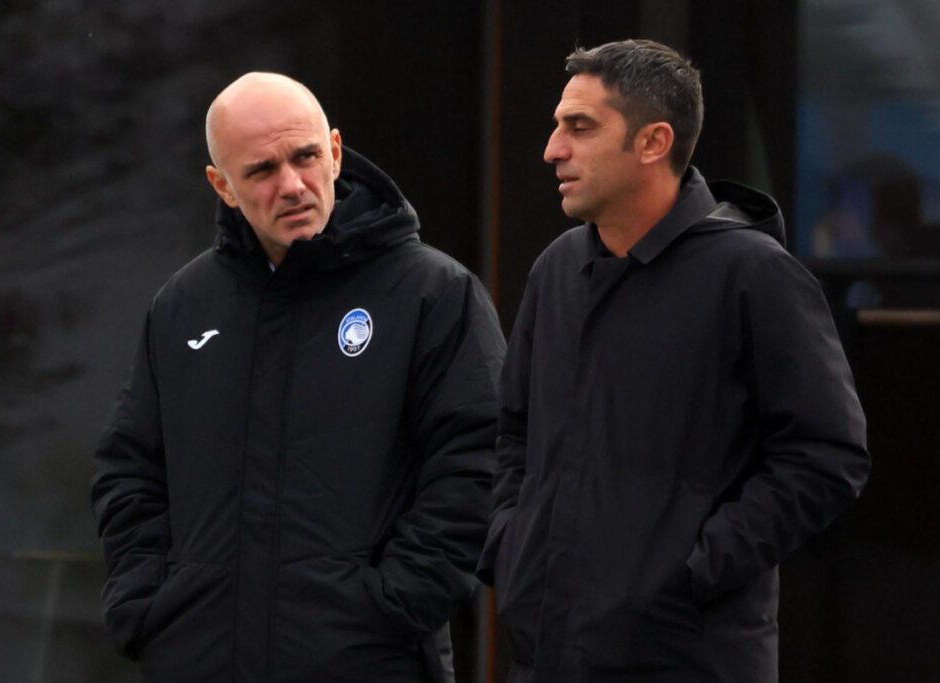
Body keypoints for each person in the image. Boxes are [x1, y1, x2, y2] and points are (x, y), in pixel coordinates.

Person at [91, 72, 505, 682]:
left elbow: (480, 461)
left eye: (306, 156)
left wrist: (394, 603)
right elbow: (130, 469)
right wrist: (148, 605)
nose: (292, 185)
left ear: (335, 152)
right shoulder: (183, 306)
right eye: (261, 171)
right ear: (223, 186)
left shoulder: (432, 294)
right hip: (200, 662)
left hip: (368, 663)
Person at [477, 40, 870, 682]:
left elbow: (829, 456)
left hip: (690, 658)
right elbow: (515, 430)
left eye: (580, 127)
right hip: (549, 652)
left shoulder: (753, 275)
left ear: (654, 141)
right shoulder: (557, 269)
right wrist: (514, 545)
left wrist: (693, 569)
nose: (553, 149)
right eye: (557, 127)